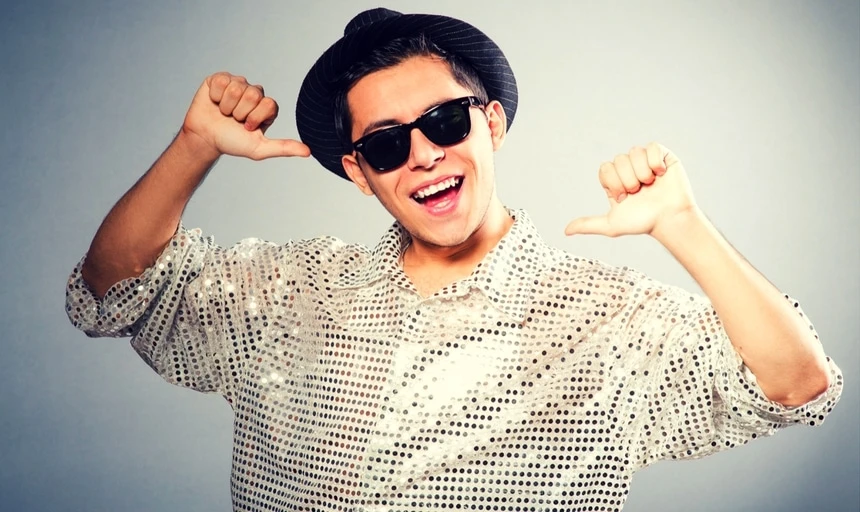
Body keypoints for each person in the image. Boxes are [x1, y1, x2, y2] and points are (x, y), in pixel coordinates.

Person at [65, 7, 842, 512]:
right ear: (357, 172)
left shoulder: (607, 318)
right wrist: (195, 146)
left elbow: (796, 386)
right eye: (386, 143)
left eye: (444, 121)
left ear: (491, 124)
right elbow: (115, 292)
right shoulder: (288, 289)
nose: (426, 155)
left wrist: (684, 226)